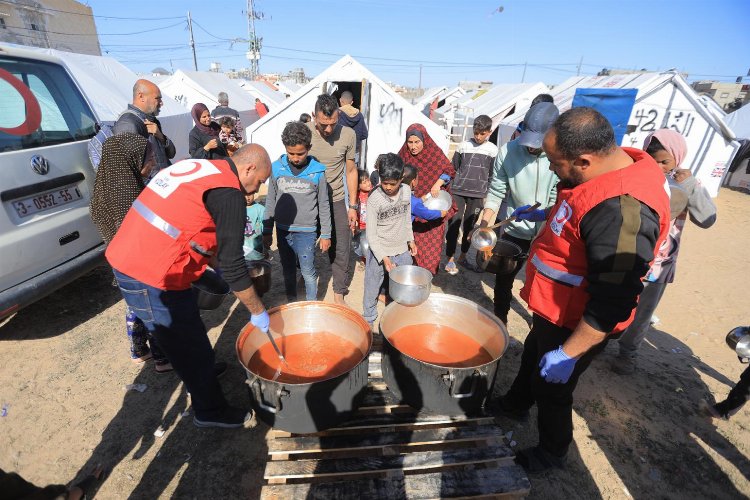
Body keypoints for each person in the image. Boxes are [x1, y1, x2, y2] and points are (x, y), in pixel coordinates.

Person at [488, 107, 670, 473]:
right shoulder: (601, 171)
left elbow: (612, 302)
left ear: (583, 160)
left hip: (578, 321)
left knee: (553, 388)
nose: (551, 169)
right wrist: (549, 214)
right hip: (554, 309)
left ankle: (551, 451)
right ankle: (515, 404)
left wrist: (569, 354)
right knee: (532, 356)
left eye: (555, 163)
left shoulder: (622, 211)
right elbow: (579, 215)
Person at [105, 144, 273, 429]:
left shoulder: (208, 167)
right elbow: (232, 266)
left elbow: (199, 229)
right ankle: (209, 411)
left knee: (190, 329)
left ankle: (205, 370)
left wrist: (222, 265)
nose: (256, 191)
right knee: (186, 344)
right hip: (149, 272)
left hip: (140, 253)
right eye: (258, 182)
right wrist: (257, 310)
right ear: (248, 168)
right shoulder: (229, 193)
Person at [611, 129, 717, 374]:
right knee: (615, 301)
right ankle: (599, 342)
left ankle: (627, 354)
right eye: (653, 158)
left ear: (677, 159)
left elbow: (707, 220)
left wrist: (689, 186)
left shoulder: (687, 183)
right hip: (629, 255)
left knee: (643, 313)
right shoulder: (635, 175)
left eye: (664, 161)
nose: (658, 166)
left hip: (659, 264)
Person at [89, 133, 171, 371]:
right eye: (150, 157)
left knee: (134, 304)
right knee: (151, 304)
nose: (154, 162)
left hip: (119, 260)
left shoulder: (108, 185)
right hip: (137, 261)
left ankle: (139, 350)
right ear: (132, 158)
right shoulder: (126, 195)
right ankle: (162, 358)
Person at [477, 102, 561, 324]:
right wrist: (485, 224)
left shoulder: (560, 156)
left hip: (549, 232)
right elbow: (496, 192)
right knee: (504, 281)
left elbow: (560, 198)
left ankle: (539, 324)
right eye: (528, 143)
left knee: (542, 285)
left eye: (538, 144)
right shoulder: (507, 152)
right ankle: (500, 321)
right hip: (515, 229)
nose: (531, 149)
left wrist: (543, 215)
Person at [263, 121, 332, 301]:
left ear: (308, 148)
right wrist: (267, 230)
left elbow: (323, 204)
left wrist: (326, 234)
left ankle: (310, 305)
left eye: (300, 153)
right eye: (291, 153)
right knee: (287, 269)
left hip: (307, 232)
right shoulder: (277, 168)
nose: (295, 158)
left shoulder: (318, 172)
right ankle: (292, 302)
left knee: (308, 271)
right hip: (283, 230)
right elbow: (270, 199)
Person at [307, 94, 359, 305]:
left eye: (333, 123)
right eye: (323, 124)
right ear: (314, 117)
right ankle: (305, 281)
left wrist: (353, 206)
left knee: (342, 246)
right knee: (306, 243)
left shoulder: (348, 134)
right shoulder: (304, 132)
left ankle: (339, 292)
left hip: (336, 198)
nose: (328, 130)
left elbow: (351, 170)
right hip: (309, 201)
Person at [362, 154, 417, 326]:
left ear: (401, 179)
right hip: (379, 251)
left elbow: (407, 219)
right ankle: (368, 322)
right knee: (372, 288)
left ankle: (394, 321)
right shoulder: (374, 199)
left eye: (393, 184)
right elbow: (371, 234)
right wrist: (384, 257)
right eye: (384, 182)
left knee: (400, 289)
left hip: (401, 250)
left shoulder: (406, 192)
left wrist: (411, 240)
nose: (388, 187)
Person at [397, 123, 456, 275]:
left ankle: (425, 277)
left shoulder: (435, 154)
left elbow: (448, 170)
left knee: (430, 249)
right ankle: (408, 276)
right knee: (409, 247)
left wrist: (438, 183)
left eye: (417, 142)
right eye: (410, 142)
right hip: (410, 209)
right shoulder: (402, 155)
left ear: (425, 140)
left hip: (432, 207)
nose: (413, 146)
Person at [444, 114, 497, 275]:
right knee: (454, 224)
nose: (478, 136)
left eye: (482, 133)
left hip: (478, 194)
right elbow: (455, 167)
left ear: (489, 132)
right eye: (476, 132)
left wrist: (486, 193)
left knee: (469, 227)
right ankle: (450, 259)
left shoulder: (493, 150)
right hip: (458, 191)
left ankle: (463, 256)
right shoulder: (463, 146)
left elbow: (492, 174)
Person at [113, 79, 175, 175]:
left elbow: (171, 153)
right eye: (157, 98)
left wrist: (161, 136)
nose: (161, 103)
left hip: (163, 182)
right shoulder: (127, 124)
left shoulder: (151, 120)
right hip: (151, 187)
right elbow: (128, 170)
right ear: (141, 96)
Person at [337, 90, 369, 165]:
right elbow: (365, 134)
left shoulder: (337, 114)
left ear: (340, 100)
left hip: (339, 150)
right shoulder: (359, 115)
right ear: (352, 102)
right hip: (354, 151)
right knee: (352, 174)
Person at [243, 193, 265, 262]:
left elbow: (265, 226)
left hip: (256, 248)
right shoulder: (236, 209)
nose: (247, 198)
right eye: (245, 195)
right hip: (240, 248)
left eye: (250, 195)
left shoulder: (260, 209)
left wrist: (266, 247)